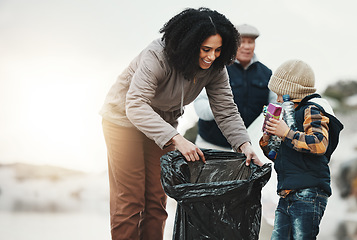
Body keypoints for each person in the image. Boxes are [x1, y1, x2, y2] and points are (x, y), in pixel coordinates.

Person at [99, 8, 262, 240]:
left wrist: (244, 145)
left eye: (217, 50)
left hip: (163, 123)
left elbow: (225, 110)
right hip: (123, 120)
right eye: (206, 49)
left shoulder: (215, 67)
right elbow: (135, 105)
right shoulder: (157, 55)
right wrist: (177, 139)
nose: (212, 56)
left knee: (157, 199)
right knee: (131, 199)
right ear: (189, 43)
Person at [259, 59, 343, 239]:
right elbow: (280, 156)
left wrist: (287, 132)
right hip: (286, 192)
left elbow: (319, 144)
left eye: (281, 95)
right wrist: (268, 138)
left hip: (309, 191)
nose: (278, 100)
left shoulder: (312, 109)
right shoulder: (287, 117)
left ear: (294, 93)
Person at [194, 23, 275, 150]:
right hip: (211, 145)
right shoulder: (216, 69)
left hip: (248, 148)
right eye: (242, 42)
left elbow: (275, 106)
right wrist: (222, 109)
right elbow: (200, 105)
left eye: (251, 42)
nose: (247, 47)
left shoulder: (267, 73)